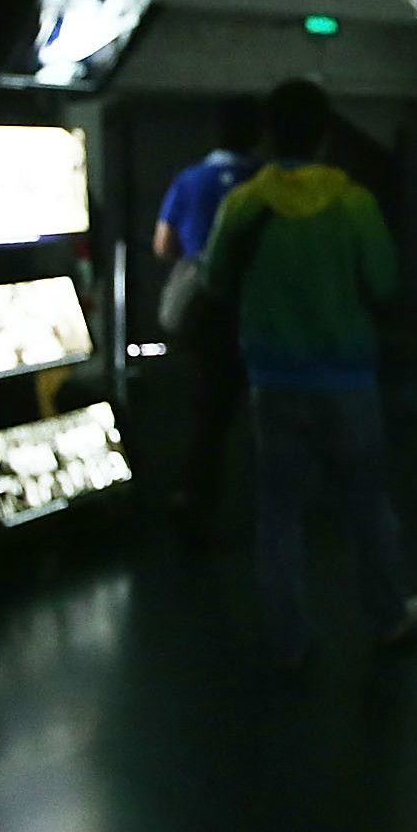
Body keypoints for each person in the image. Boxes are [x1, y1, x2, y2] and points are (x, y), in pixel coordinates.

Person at [201, 81, 417, 668]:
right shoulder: (354, 203)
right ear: (326, 134)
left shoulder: (245, 204)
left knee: (278, 513)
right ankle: (389, 615)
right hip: (348, 380)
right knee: (367, 503)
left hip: (273, 382)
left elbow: (214, 281)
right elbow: (383, 282)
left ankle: (288, 638)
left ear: (270, 135)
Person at [153, 102, 262, 523]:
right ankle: (267, 505)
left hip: (207, 312)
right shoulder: (264, 181)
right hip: (258, 307)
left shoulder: (189, 179)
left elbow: (163, 245)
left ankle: (198, 499)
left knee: (207, 411)